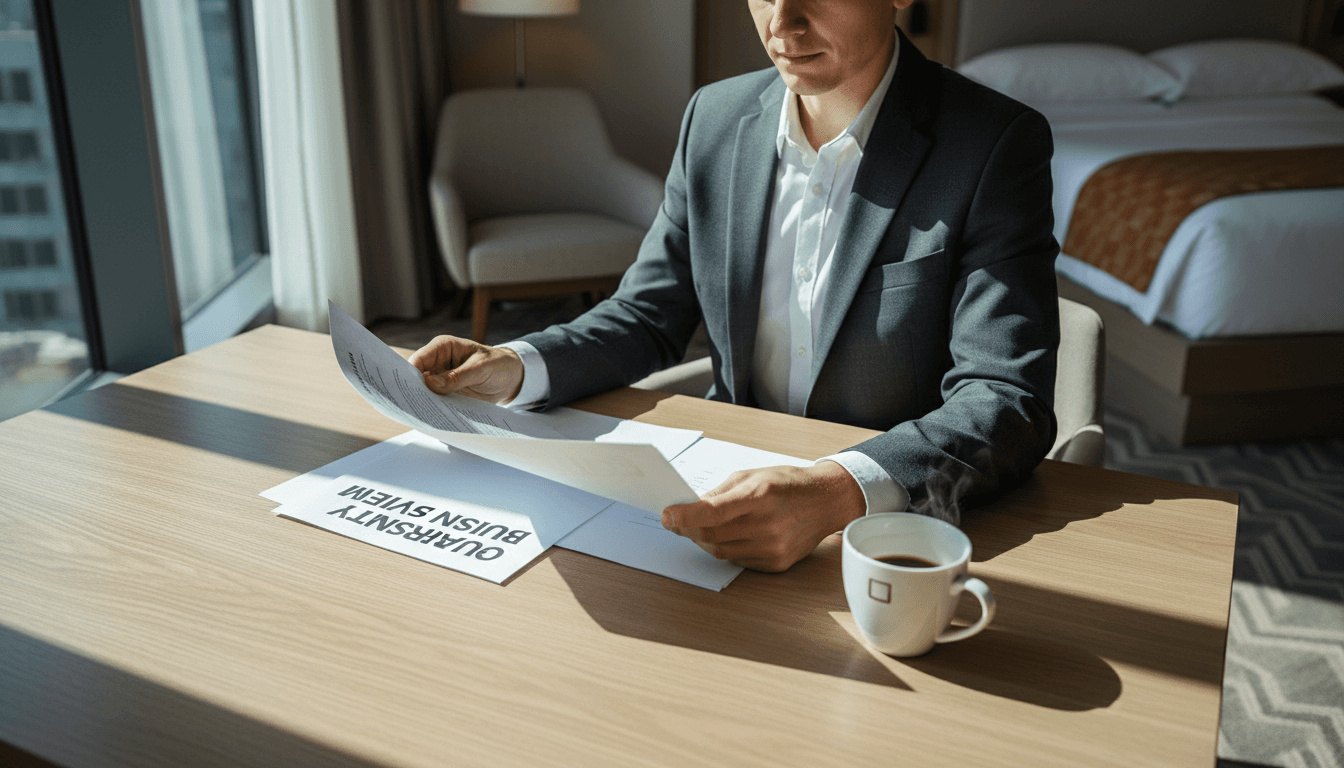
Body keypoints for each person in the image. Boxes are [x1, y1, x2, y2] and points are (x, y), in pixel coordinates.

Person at [410, 0, 1060, 573]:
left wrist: (836, 489)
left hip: (883, 539)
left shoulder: (994, 145)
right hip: (723, 501)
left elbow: (1005, 396)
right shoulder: (714, 120)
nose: (781, 22)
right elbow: (647, 314)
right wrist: (515, 365)